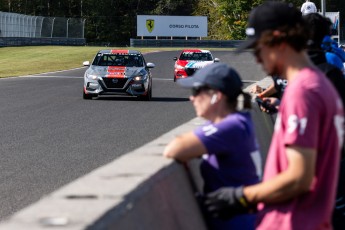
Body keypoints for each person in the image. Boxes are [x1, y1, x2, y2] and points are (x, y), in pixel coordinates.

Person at [204, 2, 344, 230]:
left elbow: (299, 177)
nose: (257, 58)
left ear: (278, 41)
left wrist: (241, 196)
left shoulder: (302, 91)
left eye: (258, 49)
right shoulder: (321, 83)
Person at [163, 63, 262, 230]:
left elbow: (174, 149)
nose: (191, 98)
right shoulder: (241, 120)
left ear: (216, 96)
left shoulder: (230, 127)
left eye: (196, 91)